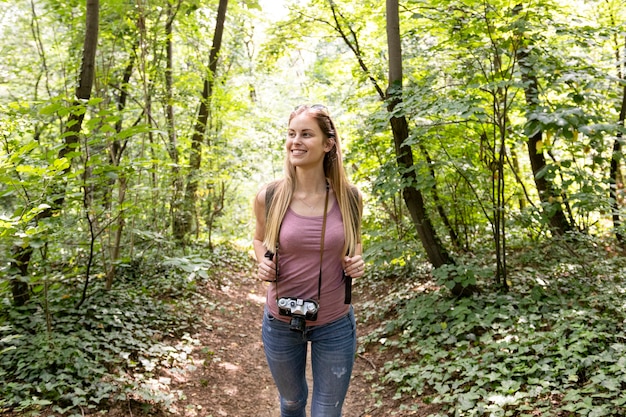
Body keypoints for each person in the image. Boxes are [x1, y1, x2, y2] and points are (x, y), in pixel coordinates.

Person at [253, 104, 365, 417]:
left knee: (327, 411)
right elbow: (259, 239)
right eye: (291, 134)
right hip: (281, 321)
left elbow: (355, 244)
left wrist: (357, 261)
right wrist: (262, 260)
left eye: (305, 134)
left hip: (335, 323)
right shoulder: (271, 195)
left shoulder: (349, 197)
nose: (295, 141)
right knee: (291, 403)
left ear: (328, 143)